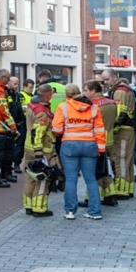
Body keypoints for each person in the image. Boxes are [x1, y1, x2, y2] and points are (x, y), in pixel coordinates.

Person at [52, 84, 107, 220]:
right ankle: (94, 211)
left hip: (70, 145)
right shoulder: (94, 108)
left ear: (67, 95)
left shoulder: (63, 107)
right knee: (91, 179)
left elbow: (57, 129)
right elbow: (100, 131)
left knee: (71, 179)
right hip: (89, 145)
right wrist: (100, 149)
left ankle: (70, 211)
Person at [22, 84, 58, 217]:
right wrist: (39, 153)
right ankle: (39, 208)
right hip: (42, 150)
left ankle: (28, 205)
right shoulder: (42, 112)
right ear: (48, 95)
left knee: (29, 177)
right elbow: (38, 133)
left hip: (28, 148)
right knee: (43, 179)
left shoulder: (32, 106)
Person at [101, 69, 136, 200]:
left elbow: (119, 114)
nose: (105, 83)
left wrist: (113, 128)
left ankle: (121, 190)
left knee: (120, 159)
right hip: (128, 129)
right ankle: (128, 188)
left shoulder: (120, 91)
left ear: (115, 77)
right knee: (127, 160)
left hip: (123, 130)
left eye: (107, 79)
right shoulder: (125, 89)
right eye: (103, 80)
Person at [82, 80, 118, 208]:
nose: (84, 93)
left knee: (93, 170)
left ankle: (91, 198)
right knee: (104, 169)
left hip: (96, 140)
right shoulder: (111, 103)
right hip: (108, 139)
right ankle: (110, 196)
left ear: (93, 91)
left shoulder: (93, 105)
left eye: (85, 90)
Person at [8, 76, 26, 174]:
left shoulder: (17, 95)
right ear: (9, 83)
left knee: (20, 145)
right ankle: (9, 167)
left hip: (20, 122)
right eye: (15, 83)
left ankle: (17, 164)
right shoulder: (6, 94)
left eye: (18, 83)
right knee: (10, 146)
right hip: (10, 124)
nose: (17, 85)